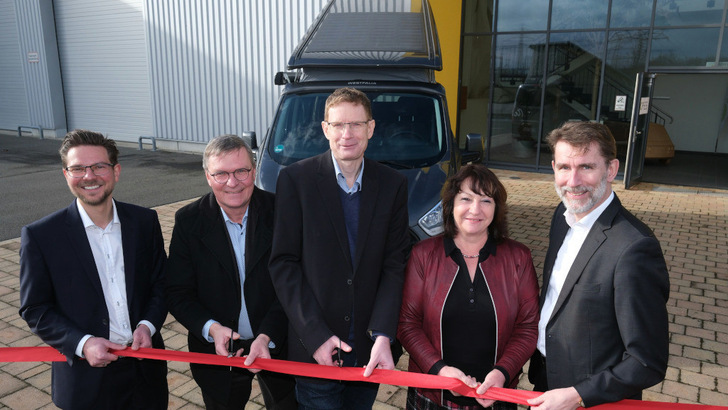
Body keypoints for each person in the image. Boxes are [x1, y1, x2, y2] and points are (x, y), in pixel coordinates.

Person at [269, 87, 410, 409]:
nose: (347, 134)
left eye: (357, 124)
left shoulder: (392, 184)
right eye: (338, 125)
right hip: (316, 348)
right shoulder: (295, 180)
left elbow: (394, 265)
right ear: (325, 129)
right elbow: (284, 263)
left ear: (371, 128)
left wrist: (384, 335)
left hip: (370, 348)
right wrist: (314, 334)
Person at [18, 129, 168, 409]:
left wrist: (148, 325)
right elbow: (35, 309)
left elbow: (160, 283)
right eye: (78, 168)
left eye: (99, 166)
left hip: (145, 373)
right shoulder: (41, 236)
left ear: (116, 171)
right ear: (66, 174)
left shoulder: (145, 221)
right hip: (85, 380)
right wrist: (83, 343)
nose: (89, 176)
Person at [527, 121, 670, 409]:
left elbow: (647, 361)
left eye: (587, 167)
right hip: (544, 381)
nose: (573, 181)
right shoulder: (562, 214)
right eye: (565, 167)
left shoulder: (634, 248)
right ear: (554, 167)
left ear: (612, 169)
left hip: (592, 400)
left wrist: (578, 394)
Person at [164, 135, 296, 409]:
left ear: (254, 170)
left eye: (241, 171)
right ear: (207, 176)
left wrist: (268, 334)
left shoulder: (282, 211)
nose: (232, 182)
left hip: (279, 344)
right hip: (218, 356)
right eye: (221, 174)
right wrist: (210, 328)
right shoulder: (188, 221)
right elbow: (177, 292)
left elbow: (295, 283)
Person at [398, 164, 540, 410]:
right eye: (466, 198)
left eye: (486, 200)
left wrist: (502, 373)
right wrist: (439, 371)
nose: (475, 209)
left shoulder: (519, 257)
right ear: (451, 203)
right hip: (433, 395)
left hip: (496, 396)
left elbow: (527, 328)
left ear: (497, 209)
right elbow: (407, 324)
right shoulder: (423, 254)